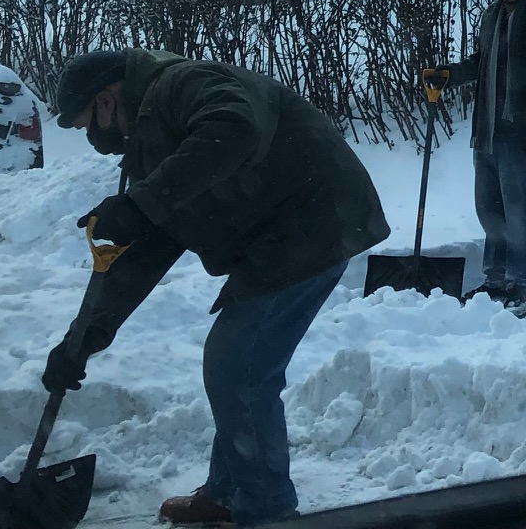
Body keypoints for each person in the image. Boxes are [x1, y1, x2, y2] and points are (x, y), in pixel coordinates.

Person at [43, 47, 390, 526]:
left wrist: (143, 203)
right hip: (279, 238)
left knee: (237, 366)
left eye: (86, 124)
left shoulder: (186, 84)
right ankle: (229, 494)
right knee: (237, 365)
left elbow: (235, 128)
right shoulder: (151, 142)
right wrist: (84, 339)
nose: (92, 138)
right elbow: (147, 245)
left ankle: (265, 508)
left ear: (105, 101)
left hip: (317, 221)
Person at [429, 0, 526, 317]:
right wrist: (450, 74)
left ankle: (521, 285)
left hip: (519, 132)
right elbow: (483, 62)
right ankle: (495, 281)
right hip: (487, 130)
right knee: (490, 209)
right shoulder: (492, 16)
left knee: (520, 211)